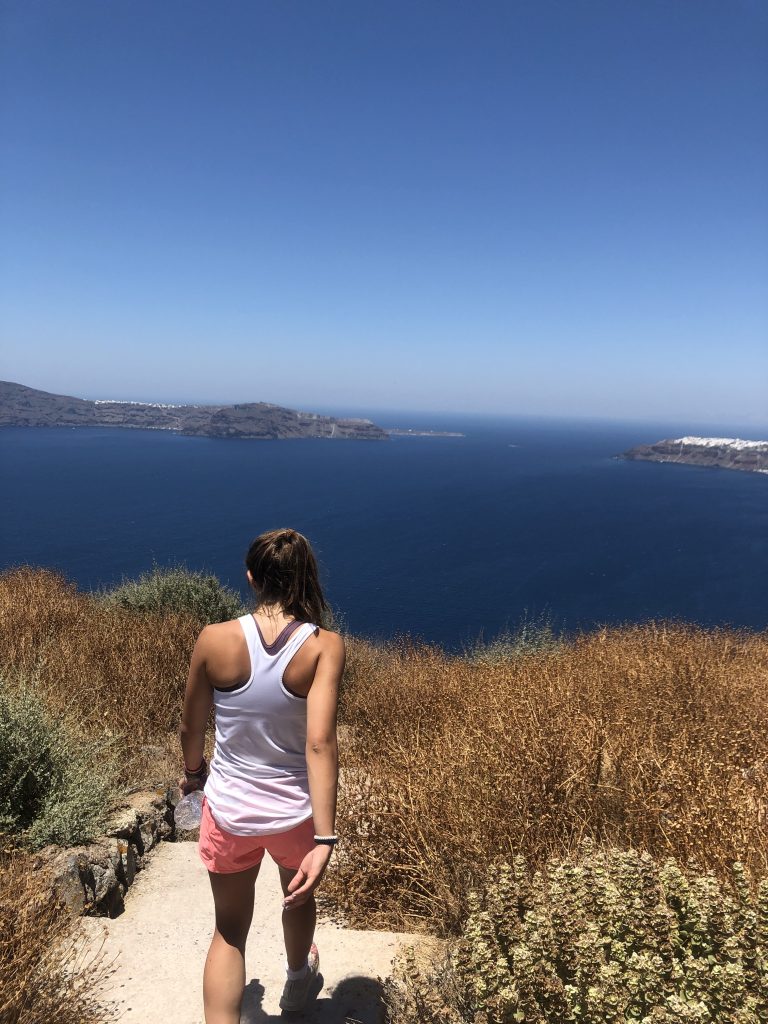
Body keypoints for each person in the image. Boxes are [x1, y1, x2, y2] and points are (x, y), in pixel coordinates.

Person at [178, 528, 345, 1023]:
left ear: (251, 578)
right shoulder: (324, 646)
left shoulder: (214, 638)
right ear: (306, 576)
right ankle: (297, 981)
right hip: (295, 813)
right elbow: (320, 743)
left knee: (229, 931)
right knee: (297, 899)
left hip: (228, 811)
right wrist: (325, 837)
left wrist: (194, 774)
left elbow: (191, 726)